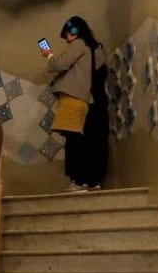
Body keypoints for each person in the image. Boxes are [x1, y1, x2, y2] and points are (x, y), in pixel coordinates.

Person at [41, 15, 109, 191]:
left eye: (67, 35)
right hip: (86, 99)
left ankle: (78, 181)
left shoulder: (79, 44)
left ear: (74, 31)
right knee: (79, 139)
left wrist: (49, 56)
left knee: (73, 141)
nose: (67, 41)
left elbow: (61, 63)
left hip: (73, 98)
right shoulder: (94, 50)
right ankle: (89, 180)